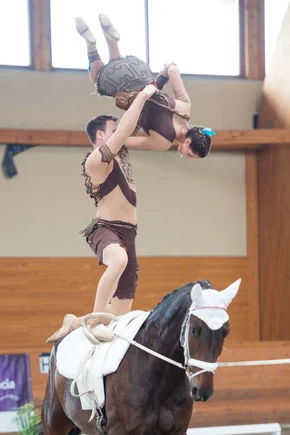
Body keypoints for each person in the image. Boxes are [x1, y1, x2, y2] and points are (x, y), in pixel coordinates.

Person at [46, 84, 157, 344]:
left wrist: (158, 84)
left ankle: (75, 322)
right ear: (100, 136)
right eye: (113, 130)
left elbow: (159, 142)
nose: (120, 133)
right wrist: (141, 95)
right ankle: (93, 322)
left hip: (130, 235)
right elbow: (126, 129)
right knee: (117, 260)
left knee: (119, 315)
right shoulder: (95, 161)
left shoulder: (123, 152)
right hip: (105, 228)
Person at [75, 14, 215, 159]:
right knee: (98, 79)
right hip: (127, 92)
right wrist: (102, 144)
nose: (187, 157)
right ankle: (91, 45)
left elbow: (172, 69)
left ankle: (111, 39)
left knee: (116, 66)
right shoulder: (163, 142)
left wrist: (157, 84)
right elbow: (124, 140)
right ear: (187, 141)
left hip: (140, 71)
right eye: (190, 155)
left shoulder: (185, 109)